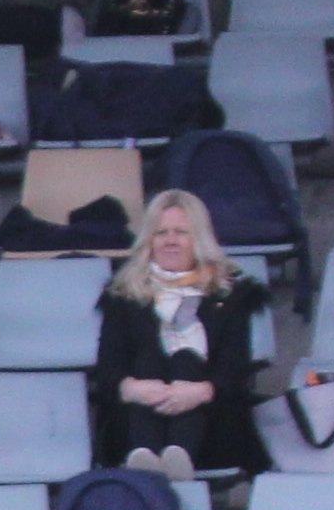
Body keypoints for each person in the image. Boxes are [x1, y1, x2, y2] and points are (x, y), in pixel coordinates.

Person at [90, 193, 266, 476]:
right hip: (135, 423)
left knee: (185, 358)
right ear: (149, 240)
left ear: (199, 238)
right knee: (149, 361)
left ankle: (178, 459)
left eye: (181, 233)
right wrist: (132, 388)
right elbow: (108, 367)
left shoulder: (231, 294)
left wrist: (201, 391)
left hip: (212, 426)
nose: (170, 241)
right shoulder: (123, 295)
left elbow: (235, 369)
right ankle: (146, 458)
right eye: (161, 233)